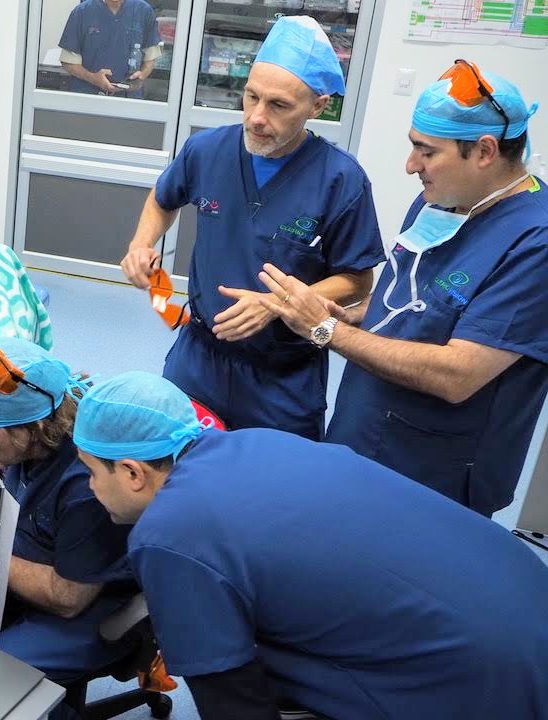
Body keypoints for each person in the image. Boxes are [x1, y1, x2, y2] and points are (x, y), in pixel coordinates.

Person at [72, 371, 548, 720]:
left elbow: (232, 701)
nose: (89, 487)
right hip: (525, 594)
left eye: (92, 472)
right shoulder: (258, 442)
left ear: (132, 473)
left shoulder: (170, 535)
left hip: (479, 683)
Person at [255, 62, 546, 518]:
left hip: (434, 474)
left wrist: (325, 329)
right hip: (365, 433)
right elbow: (423, 296)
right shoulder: (444, 200)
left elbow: (458, 375)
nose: (411, 166)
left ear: (485, 151)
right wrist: (359, 313)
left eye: (426, 151)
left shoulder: (535, 244)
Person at [120, 16, 384, 440]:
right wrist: (140, 244)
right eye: (251, 97)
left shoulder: (341, 179)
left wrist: (278, 303)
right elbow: (161, 199)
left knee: (273, 491)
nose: (256, 117)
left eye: (278, 105)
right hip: (198, 357)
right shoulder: (206, 150)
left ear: (318, 106)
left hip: (282, 374)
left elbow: (357, 279)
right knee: (178, 471)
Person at [0, 337, 134, 687]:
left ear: (32, 429)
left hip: (93, 601)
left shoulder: (88, 485)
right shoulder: (36, 434)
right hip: (42, 545)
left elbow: (68, 598)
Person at [58, 0, 162, 99]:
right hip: (88, 96)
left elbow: (150, 57)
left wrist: (142, 75)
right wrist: (92, 78)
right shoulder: (82, 12)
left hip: (129, 99)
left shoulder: (143, 11)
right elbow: (68, 62)